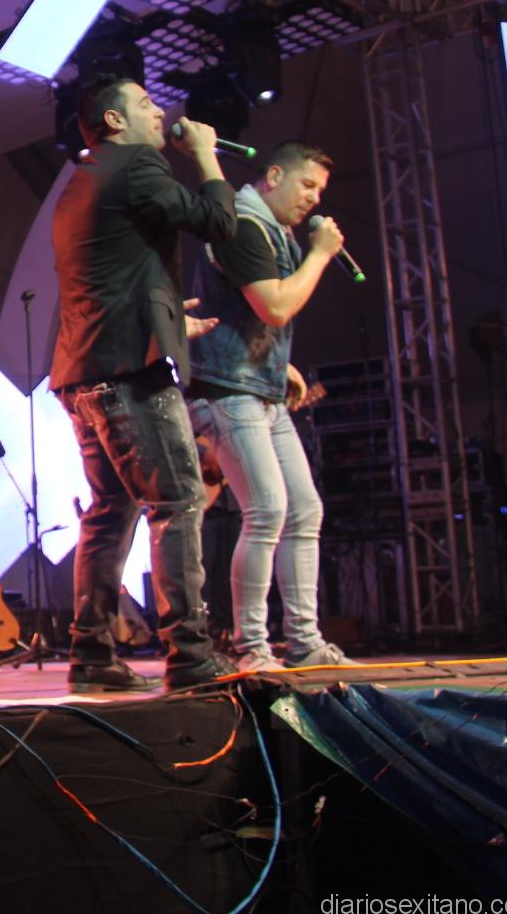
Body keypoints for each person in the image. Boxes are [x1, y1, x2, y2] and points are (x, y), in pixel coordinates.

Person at [50, 77, 236, 693]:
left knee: (110, 512)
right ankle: (191, 655)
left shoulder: (82, 181)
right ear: (114, 119)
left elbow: (111, 276)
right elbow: (217, 222)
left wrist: (170, 319)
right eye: (147, 104)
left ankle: (92, 656)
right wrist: (205, 155)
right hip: (129, 374)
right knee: (178, 503)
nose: (161, 112)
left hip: (83, 372)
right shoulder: (136, 163)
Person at [186, 142, 347, 671]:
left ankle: (305, 643)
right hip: (227, 389)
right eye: (307, 185)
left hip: (259, 386)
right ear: (275, 176)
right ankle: (251, 647)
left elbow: (247, 311)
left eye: (319, 190)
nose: (314, 199)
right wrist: (320, 255)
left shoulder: (273, 229)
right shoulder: (245, 224)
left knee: (304, 510)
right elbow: (274, 305)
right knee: (268, 510)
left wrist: (282, 365)